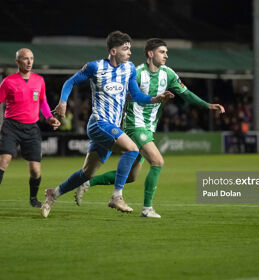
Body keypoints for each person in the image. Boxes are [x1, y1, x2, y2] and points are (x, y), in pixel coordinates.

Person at [73, 38, 225, 218]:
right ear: (150, 54)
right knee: (158, 161)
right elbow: (122, 94)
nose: (166, 55)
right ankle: (147, 209)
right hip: (134, 125)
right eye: (162, 52)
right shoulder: (136, 73)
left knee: (131, 176)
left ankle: (87, 182)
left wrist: (207, 105)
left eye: (166, 52)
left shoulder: (168, 74)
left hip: (149, 127)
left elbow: (186, 94)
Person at [40, 31, 174, 218]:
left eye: (129, 48)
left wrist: (155, 99)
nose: (129, 52)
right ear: (113, 50)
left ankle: (53, 194)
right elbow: (70, 82)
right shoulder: (95, 67)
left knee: (86, 174)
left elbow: (135, 96)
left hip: (112, 127)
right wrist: (63, 102)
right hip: (98, 123)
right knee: (132, 149)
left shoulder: (129, 69)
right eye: (125, 48)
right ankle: (116, 196)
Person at [0, 48, 61, 207]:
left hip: (31, 128)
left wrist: (49, 118)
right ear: (17, 61)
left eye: (31, 58)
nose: (29, 62)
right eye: (25, 59)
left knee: (35, 170)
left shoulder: (39, 80)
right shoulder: (8, 81)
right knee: (4, 160)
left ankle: (33, 199)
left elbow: (42, 102)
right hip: (11, 126)